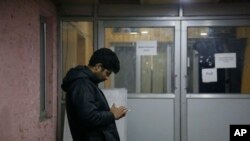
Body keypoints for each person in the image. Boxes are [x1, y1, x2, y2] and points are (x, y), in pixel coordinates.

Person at [61, 48, 128, 141]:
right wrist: (112, 115)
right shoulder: (82, 85)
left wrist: (110, 113)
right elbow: (89, 117)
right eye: (107, 73)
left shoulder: (88, 83)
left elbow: (90, 112)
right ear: (98, 67)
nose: (107, 78)